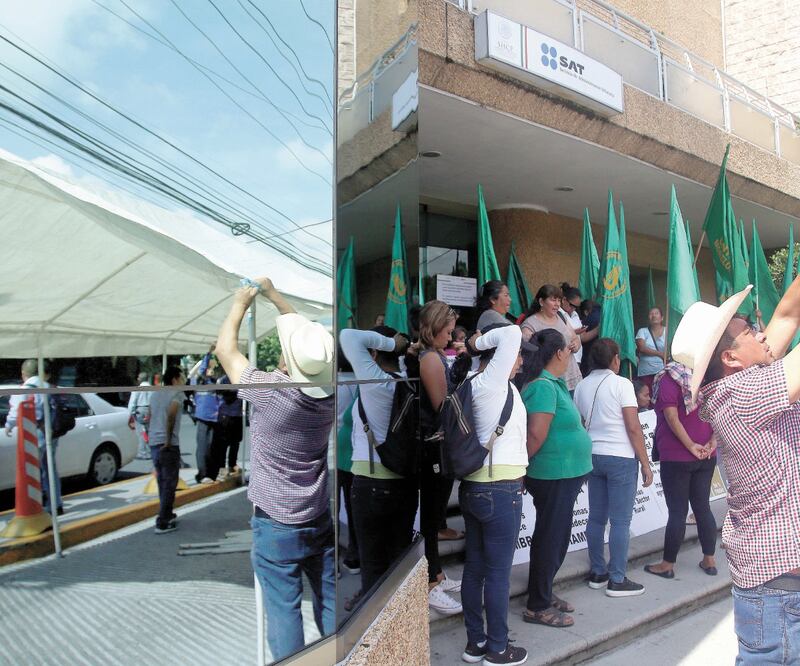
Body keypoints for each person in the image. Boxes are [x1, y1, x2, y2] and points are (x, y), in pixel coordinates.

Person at [669, 283, 800, 663]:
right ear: (731, 357)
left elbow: (788, 315)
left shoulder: (741, 380)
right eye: (748, 333)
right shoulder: (744, 391)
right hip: (781, 593)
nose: (761, 333)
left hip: (776, 589)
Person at [214, 277, 335, 663]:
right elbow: (311, 347)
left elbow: (225, 350)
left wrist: (241, 303)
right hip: (317, 514)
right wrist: (275, 296)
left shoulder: (269, 391)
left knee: (284, 610)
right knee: (329, 598)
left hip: (275, 521)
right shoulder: (330, 394)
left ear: (285, 359)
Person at [452, 324, 530, 666]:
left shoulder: (472, 383)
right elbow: (511, 333)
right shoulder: (492, 382)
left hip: (474, 488)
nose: (520, 361)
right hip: (501, 490)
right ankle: (498, 649)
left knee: (475, 570)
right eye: (515, 358)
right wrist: (474, 341)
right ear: (496, 356)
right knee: (497, 573)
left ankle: (476, 643)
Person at [521, 329, 592, 627]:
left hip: (565, 474)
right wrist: (520, 469)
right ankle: (537, 605)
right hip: (552, 475)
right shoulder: (542, 387)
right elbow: (535, 434)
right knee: (551, 538)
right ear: (559, 353)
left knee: (558, 537)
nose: (570, 354)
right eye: (568, 350)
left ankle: (545, 593)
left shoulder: (555, 384)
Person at [340, 326, 416, 597]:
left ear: (373, 353)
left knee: (372, 564)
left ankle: (373, 629)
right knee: (398, 565)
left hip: (370, 484)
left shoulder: (375, 382)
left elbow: (348, 336)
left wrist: (390, 343)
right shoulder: (410, 382)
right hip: (406, 485)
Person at [574, 339, 653, 597]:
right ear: (615, 359)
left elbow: (581, 421)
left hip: (593, 456)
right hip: (620, 457)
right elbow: (633, 427)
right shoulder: (622, 384)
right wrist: (645, 462)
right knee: (620, 521)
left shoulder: (582, 385)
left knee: (596, 517)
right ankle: (617, 579)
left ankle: (598, 572)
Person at [644, 361, 717, 580]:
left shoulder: (669, 378)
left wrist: (690, 446)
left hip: (677, 455)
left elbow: (671, 417)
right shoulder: (708, 375)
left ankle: (667, 564)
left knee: (677, 511)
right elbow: (719, 413)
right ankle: (709, 560)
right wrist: (712, 442)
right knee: (702, 507)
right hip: (706, 453)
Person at [417, 299, 463, 615]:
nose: (451, 337)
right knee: (431, 517)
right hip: (432, 447)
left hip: (439, 446)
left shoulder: (435, 356)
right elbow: (442, 405)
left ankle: (438, 573)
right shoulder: (430, 359)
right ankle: (430, 582)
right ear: (435, 328)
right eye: (447, 331)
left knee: (435, 515)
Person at [5, 359, 63, 515]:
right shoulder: (49, 387)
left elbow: (15, 412)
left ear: (24, 374)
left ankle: (38, 504)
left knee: (33, 471)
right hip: (52, 432)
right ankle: (56, 503)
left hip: (34, 434)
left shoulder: (24, 389)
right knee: (50, 469)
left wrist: (9, 426)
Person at [521, 285, 582, 392]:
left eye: (559, 300)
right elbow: (530, 357)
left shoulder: (562, 317)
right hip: (549, 383)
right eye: (553, 300)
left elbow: (575, 338)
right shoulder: (529, 325)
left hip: (571, 379)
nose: (557, 304)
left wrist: (576, 345)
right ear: (541, 302)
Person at [147, 366, 185, 534]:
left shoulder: (155, 394)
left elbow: (149, 416)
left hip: (154, 442)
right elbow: (171, 416)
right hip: (167, 444)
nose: (184, 381)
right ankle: (162, 521)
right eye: (182, 378)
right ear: (175, 379)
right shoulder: (176, 394)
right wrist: (168, 441)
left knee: (162, 481)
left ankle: (167, 513)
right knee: (170, 483)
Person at [335, 350, 360, 577]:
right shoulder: (363, 380)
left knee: (340, 506)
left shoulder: (333, 384)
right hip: (358, 449)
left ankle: (346, 555)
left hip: (338, 449)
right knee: (356, 507)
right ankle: (356, 554)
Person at [189, 347, 221, 484]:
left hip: (215, 419)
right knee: (203, 448)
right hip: (203, 418)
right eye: (209, 368)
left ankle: (212, 474)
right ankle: (202, 475)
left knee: (213, 448)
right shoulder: (198, 382)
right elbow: (202, 369)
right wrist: (208, 354)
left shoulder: (214, 384)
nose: (210, 370)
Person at [211, 373, 243, 481]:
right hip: (225, 415)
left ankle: (232, 464)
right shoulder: (223, 379)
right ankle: (222, 467)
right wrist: (234, 390)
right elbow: (221, 392)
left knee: (235, 442)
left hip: (237, 414)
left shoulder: (240, 378)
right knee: (224, 443)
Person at [559, 284, 593, 369]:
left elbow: (583, 337)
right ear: (564, 300)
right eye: (572, 305)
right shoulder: (558, 314)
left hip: (577, 358)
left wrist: (598, 328)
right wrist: (575, 332)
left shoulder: (575, 315)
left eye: (576, 307)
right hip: (564, 358)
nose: (573, 309)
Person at [635, 307, 666, 389]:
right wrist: (660, 354)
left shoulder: (667, 331)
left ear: (662, 318)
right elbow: (641, 348)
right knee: (646, 395)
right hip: (645, 372)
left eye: (656, 313)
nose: (654, 316)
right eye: (651, 314)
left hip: (662, 371)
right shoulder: (642, 331)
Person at [128, 372, 152, 460]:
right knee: (149, 431)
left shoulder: (138, 389)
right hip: (150, 410)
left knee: (141, 432)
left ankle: (142, 452)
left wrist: (131, 413)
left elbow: (132, 402)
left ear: (140, 379)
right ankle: (152, 451)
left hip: (140, 410)